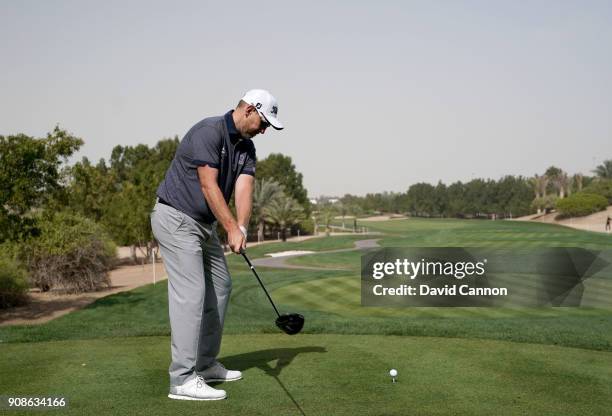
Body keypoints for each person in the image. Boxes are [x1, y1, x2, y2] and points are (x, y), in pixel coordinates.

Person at [150, 89, 284, 400]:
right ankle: (181, 379)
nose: (265, 131)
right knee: (192, 293)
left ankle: (205, 364)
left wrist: (241, 228)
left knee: (221, 286)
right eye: (264, 123)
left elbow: (244, 188)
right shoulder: (208, 132)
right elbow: (208, 184)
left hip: (204, 226)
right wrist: (228, 227)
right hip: (175, 219)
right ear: (249, 109)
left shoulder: (247, 148)